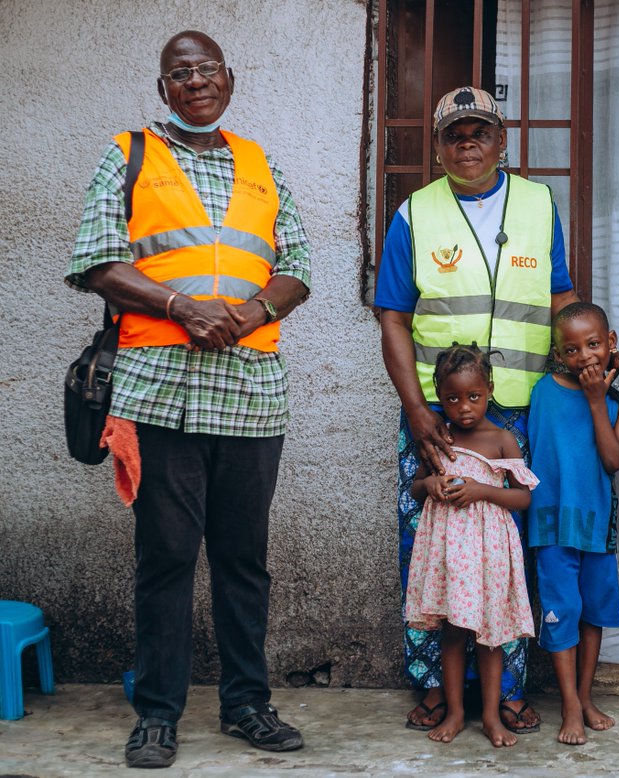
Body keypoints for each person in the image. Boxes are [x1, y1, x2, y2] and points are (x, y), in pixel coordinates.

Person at [65, 31, 310, 769]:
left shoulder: (262, 163)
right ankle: (159, 714)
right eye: (181, 73)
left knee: (244, 559)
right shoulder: (128, 152)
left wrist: (254, 311)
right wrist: (182, 304)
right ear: (163, 87)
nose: (196, 81)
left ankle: (247, 704)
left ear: (228, 80)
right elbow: (97, 260)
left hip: (250, 391)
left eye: (207, 70)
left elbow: (295, 264)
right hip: (159, 387)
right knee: (166, 557)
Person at [376, 85, 578, 735]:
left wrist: (587, 371)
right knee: (428, 548)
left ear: (502, 141)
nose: (468, 145)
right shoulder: (415, 213)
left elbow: (560, 297)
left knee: (509, 554)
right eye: (455, 135)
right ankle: (436, 687)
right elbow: (394, 318)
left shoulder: (539, 203)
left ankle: (508, 689)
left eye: (480, 132)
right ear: (438, 147)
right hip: (438, 417)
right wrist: (415, 409)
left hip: (515, 412)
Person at [405, 345, 540, 748]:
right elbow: (415, 487)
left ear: (490, 390)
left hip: (489, 552)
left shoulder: (501, 440)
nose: (464, 408)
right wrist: (429, 484)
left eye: (474, 397)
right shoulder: (438, 437)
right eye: (452, 398)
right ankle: (456, 713)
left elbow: (523, 498)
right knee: (451, 631)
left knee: (491, 636)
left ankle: (490, 717)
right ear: (439, 396)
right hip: (448, 552)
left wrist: (483, 490)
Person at [527, 302, 619, 745]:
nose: (585, 357)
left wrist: (603, 401)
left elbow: (613, 460)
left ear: (610, 343)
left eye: (595, 345)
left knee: (592, 614)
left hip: (597, 525)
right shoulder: (542, 392)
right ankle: (570, 706)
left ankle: (585, 695)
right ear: (558, 353)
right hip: (553, 526)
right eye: (572, 349)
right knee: (563, 613)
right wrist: (599, 392)